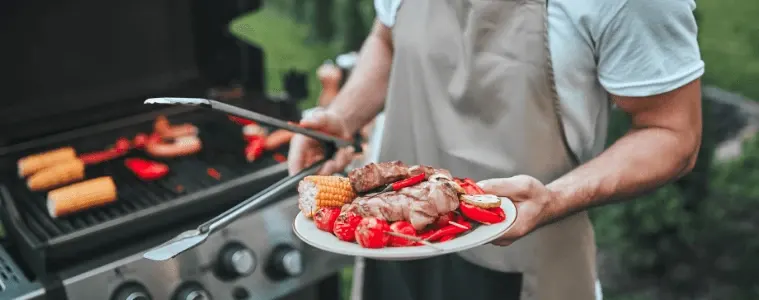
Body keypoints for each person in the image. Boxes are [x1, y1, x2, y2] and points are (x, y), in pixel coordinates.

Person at [288, 0, 704, 298]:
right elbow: (387, 36)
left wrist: (556, 199)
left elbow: (672, 132)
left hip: (526, 265)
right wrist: (344, 115)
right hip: (389, 247)